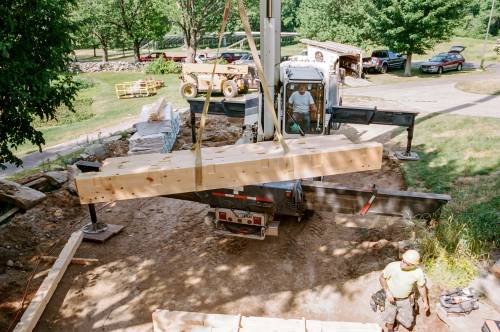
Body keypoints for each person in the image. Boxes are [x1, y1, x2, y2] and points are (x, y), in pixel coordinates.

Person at [379, 250, 430, 332]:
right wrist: (387, 292)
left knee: (408, 322)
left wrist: (425, 302)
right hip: (390, 298)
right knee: (389, 317)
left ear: (414, 265)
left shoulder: (418, 272)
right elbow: (381, 278)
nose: (402, 264)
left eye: (407, 264)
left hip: (405, 300)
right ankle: (390, 328)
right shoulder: (392, 266)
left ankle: (397, 318)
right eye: (403, 260)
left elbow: (421, 287)